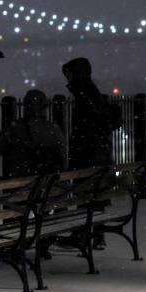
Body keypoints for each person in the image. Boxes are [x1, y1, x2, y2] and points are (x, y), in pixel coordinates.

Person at [62, 57, 121, 249]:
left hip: (88, 156)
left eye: (69, 73)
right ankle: (95, 235)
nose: (67, 78)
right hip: (100, 155)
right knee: (95, 197)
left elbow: (89, 124)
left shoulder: (84, 93)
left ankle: (84, 235)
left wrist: (78, 149)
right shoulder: (92, 92)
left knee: (85, 196)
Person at [0, 89, 66, 178]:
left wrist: (14, 148)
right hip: (48, 180)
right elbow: (62, 152)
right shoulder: (53, 128)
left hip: (20, 179)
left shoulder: (15, 127)